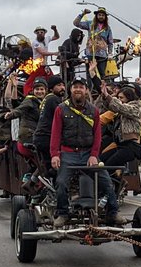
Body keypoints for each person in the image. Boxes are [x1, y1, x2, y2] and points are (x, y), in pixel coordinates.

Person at [49, 76, 118, 227]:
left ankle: (113, 213)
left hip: (88, 154)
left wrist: (94, 155)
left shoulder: (94, 111)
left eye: (81, 87)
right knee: (60, 183)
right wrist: (55, 154)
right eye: (75, 87)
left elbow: (97, 136)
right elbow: (55, 134)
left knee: (107, 181)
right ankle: (62, 213)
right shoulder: (61, 109)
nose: (78, 90)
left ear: (86, 90)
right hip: (68, 153)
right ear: (70, 90)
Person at [99, 78, 141, 176]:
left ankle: (114, 185)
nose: (119, 99)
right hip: (119, 142)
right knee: (102, 159)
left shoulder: (138, 106)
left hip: (132, 144)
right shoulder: (117, 109)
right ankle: (116, 180)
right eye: (118, 97)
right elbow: (102, 118)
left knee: (109, 166)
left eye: (121, 97)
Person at [73, 8, 114, 89]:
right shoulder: (90, 24)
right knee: (90, 73)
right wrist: (83, 14)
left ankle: (101, 90)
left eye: (103, 15)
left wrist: (110, 53)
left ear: (105, 17)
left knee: (102, 74)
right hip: (91, 54)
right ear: (96, 16)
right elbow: (76, 23)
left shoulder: (107, 28)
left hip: (102, 55)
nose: (101, 17)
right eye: (99, 15)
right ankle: (90, 90)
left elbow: (110, 42)